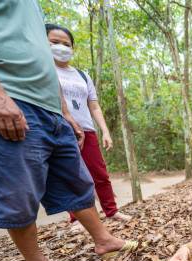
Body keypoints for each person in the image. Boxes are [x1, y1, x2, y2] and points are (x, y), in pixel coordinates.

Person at [0, 0, 137, 261]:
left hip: (50, 108)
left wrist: (64, 112)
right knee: (20, 186)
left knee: (77, 180)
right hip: (10, 97)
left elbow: (46, 63)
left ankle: (104, 240)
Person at [46, 24, 132, 233]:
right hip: (60, 129)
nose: (61, 47)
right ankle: (77, 219)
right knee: (71, 175)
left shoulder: (82, 75)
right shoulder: (44, 70)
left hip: (87, 129)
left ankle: (111, 211)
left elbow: (93, 105)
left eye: (66, 44)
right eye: (54, 42)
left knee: (99, 173)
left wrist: (105, 131)